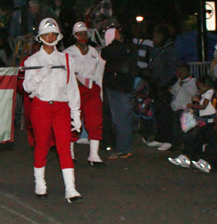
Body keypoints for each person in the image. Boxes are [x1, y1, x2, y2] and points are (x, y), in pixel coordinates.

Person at [22, 18, 83, 202]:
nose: (50, 37)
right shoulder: (32, 60)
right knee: (41, 145)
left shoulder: (66, 59)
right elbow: (27, 88)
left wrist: (76, 114)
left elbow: (72, 87)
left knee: (64, 146)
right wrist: (40, 74)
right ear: (40, 37)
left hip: (61, 108)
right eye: (46, 34)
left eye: (53, 34)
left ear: (58, 36)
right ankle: (40, 183)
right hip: (41, 107)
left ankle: (70, 188)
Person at [63, 22, 105, 166]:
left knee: (95, 120)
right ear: (74, 36)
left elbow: (98, 73)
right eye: (80, 34)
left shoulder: (93, 52)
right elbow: (64, 74)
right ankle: (70, 153)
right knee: (73, 120)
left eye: (85, 33)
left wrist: (100, 91)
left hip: (92, 89)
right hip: (75, 90)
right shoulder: (67, 53)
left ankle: (94, 155)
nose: (83, 37)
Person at [100, 26, 138, 159]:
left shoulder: (121, 47)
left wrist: (115, 43)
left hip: (118, 86)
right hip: (122, 85)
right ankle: (123, 147)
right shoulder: (129, 47)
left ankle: (123, 148)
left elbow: (105, 53)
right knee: (122, 118)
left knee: (120, 118)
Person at [148, 24, 180, 150]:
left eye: (156, 35)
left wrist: (163, 84)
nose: (154, 38)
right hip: (157, 85)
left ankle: (169, 139)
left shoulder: (170, 50)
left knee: (166, 113)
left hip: (165, 86)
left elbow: (172, 70)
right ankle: (160, 137)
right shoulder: (158, 50)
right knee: (158, 112)